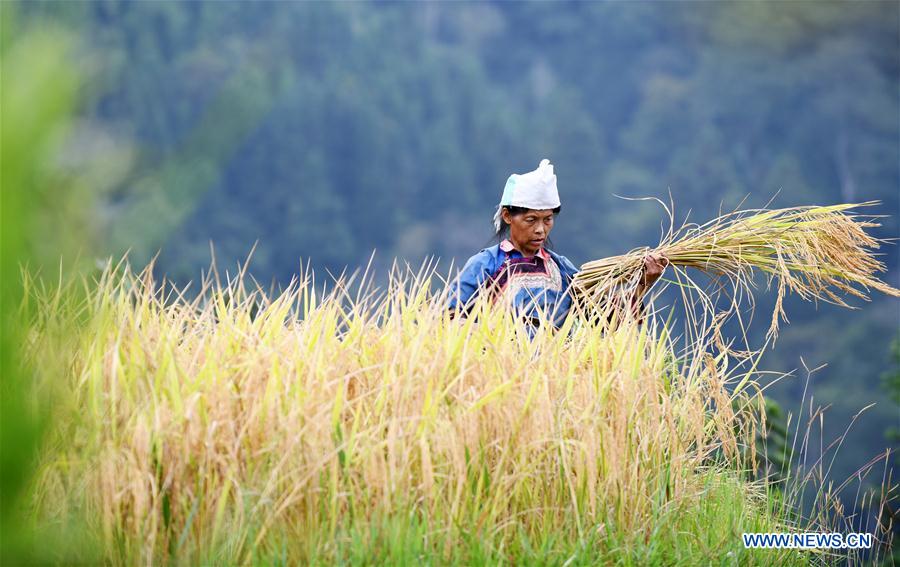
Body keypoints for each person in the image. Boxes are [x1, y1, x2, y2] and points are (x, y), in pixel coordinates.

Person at [447, 158, 668, 333]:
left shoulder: (561, 270)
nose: (541, 230)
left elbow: (605, 321)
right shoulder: (485, 265)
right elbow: (449, 320)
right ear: (507, 216)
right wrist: (502, 336)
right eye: (531, 220)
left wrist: (643, 283)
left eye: (548, 220)